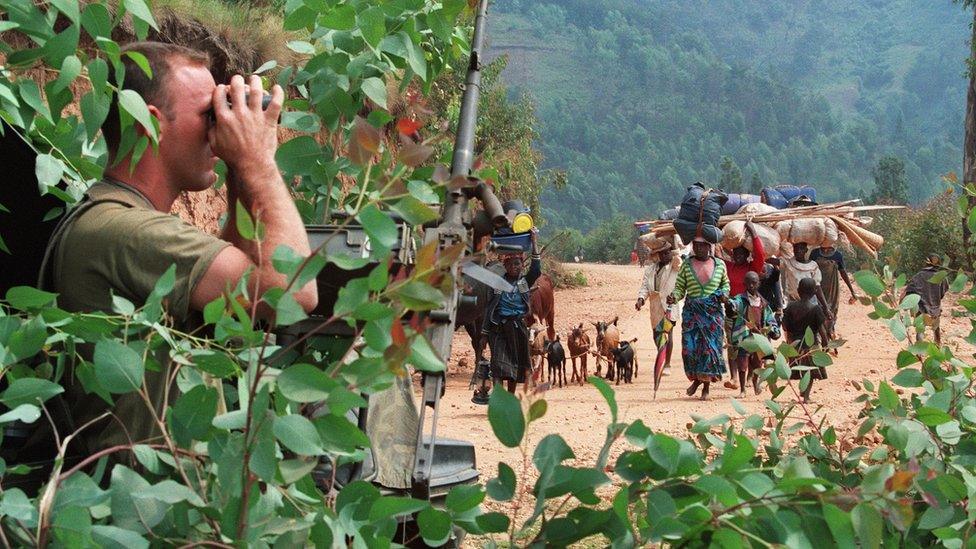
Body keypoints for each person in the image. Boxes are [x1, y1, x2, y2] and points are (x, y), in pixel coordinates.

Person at [30, 42, 318, 463]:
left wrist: (240, 170)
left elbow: (242, 302)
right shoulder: (124, 231)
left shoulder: (115, 218)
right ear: (149, 123)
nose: (217, 127)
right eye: (208, 114)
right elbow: (292, 293)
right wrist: (258, 160)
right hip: (143, 513)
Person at [475, 231, 542, 397]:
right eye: (511, 264)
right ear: (505, 267)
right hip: (499, 329)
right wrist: (484, 335)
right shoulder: (497, 285)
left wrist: (534, 241)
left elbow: (536, 268)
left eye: (518, 264)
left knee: (515, 368)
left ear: (522, 266)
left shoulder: (525, 282)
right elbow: (489, 309)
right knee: (497, 367)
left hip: (518, 329)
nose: (515, 267)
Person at [668, 236, 731, 400]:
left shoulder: (720, 264)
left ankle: (706, 387)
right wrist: (674, 297)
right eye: (696, 245)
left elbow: (725, 284)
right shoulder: (686, 266)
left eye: (703, 246)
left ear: (709, 246)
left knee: (709, 350)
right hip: (692, 313)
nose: (699, 249)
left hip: (713, 314)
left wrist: (724, 295)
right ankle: (696, 379)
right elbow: (680, 288)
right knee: (690, 348)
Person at [728, 271, 781, 397]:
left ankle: (756, 383)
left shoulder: (763, 302)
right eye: (749, 283)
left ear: (758, 283)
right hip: (744, 337)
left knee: (757, 363)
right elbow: (734, 305)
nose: (751, 286)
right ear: (744, 284)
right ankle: (742, 389)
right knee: (742, 363)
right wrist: (729, 303)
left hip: (758, 337)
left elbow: (769, 318)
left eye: (754, 283)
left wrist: (774, 330)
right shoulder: (741, 299)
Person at [635, 239, 681, 375]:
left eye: (667, 253)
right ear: (658, 255)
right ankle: (662, 356)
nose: (665, 256)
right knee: (656, 335)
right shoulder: (651, 269)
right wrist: (641, 299)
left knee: (667, 333)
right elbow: (644, 286)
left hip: (669, 305)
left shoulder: (674, 266)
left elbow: (678, 257)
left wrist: (673, 243)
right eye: (662, 253)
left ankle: (667, 364)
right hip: (655, 305)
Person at [782, 278, 830, 403]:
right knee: (810, 372)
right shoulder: (816, 309)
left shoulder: (790, 307)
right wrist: (826, 343)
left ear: (798, 290)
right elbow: (821, 330)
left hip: (795, 344)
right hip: (811, 345)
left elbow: (785, 326)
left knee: (801, 369)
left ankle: (803, 392)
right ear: (815, 292)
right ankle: (806, 396)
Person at [809, 245, 858, 336]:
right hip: (817, 288)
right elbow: (809, 270)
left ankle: (829, 335)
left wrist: (852, 291)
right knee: (817, 312)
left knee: (831, 313)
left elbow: (843, 272)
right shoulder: (815, 253)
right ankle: (820, 338)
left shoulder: (837, 255)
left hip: (832, 291)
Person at [780, 242, 833, 325]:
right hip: (794, 301)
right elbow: (772, 260)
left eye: (801, 249)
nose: (798, 251)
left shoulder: (813, 265)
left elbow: (817, 287)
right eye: (796, 249)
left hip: (811, 302)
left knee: (814, 327)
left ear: (806, 250)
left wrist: (826, 307)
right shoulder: (788, 263)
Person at [903, 254, 950, 345]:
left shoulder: (918, 276)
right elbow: (944, 289)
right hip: (935, 307)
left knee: (920, 329)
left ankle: (919, 352)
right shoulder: (942, 277)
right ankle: (937, 346)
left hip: (921, 307)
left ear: (926, 263)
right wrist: (936, 298)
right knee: (936, 327)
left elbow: (909, 290)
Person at [724, 221, 766, 297]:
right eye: (736, 253)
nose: (738, 256)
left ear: (747, 255)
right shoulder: (729, 266)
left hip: (747, 304)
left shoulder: (752, 268)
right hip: (731, 304)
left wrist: (753, 232)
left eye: (741, 254)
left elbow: (760, 255)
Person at [758, 257, 784, 324]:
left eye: (764, 271)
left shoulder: (768, 282)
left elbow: (775, 277)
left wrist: (775, 266)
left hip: (768, 308)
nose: (762, 273)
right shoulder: (753, 284)